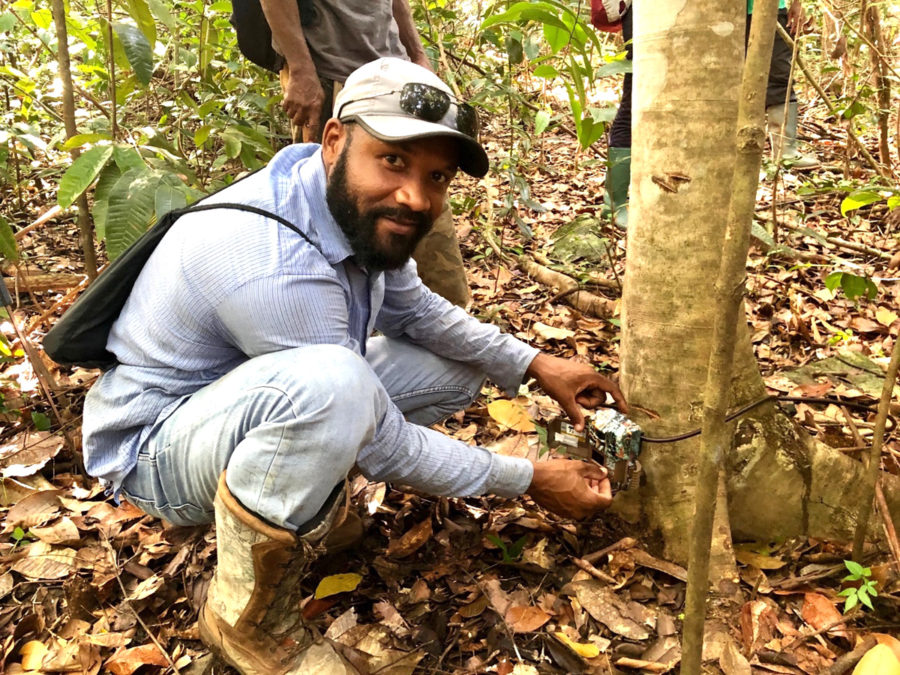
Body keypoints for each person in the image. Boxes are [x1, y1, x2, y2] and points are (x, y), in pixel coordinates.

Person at [82, 58, 628, 674]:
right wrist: (527, 478)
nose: (415, 197)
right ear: (336, 141)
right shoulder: (268, 254)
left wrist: (537, 363)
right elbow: (379, 432)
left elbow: (421, 312)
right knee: (335, 388)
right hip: (154, 449)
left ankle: (300, 494)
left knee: (451, 365)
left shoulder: (345, 207)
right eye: (393, 161)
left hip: (244, 402)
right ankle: (246, 617)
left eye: (437, 177)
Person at [257, 0, 471, 307]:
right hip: (334, 77)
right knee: (331, 224)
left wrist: (418, 56)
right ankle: (336, 329)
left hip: (399, 82)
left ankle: (435, 315)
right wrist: (301, 69)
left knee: (420, 204)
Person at [601, 0, 817, 224]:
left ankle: (675, 193)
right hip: (650, 11)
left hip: (698, 13)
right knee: (637, 97)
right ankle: (614, 206)